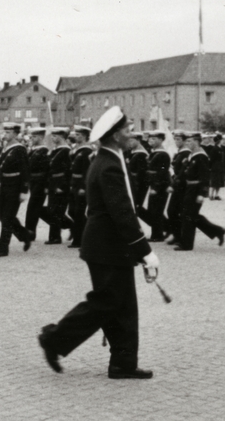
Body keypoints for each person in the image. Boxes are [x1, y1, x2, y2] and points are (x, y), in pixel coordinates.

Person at [37, 107, 158, 379]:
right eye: (127, 130)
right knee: (105, 303)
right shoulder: (109, 165)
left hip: (110, 246)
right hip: (107, 247)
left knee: (123, 306)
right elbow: (122, 213)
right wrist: (145, 251)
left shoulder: (109, 159)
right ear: (115, 135)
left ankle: (123, 363)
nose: (131, 134)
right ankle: (53, 339)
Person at [175, 132, 225, 250]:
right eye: (186, 141)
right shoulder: (192, 155)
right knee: (190, 215)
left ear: (197, 142)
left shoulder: (201, 156)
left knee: (188, 215)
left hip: (195, 189)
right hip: (189, 188)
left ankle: (186, 244)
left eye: (190, 141)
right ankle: (218, 231)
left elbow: (205, 177)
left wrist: (202, 193)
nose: (187, 143)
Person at [0, 122, 34, 256]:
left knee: (7, 218)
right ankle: (25, 235)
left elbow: (25, 170)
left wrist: (24, 190)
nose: (5, 134)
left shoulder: (19, 149)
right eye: (5, 132)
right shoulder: (5, 148)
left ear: (16, 134)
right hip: (5, 185)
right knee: (2, 216)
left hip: (15, 185)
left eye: (9, 132)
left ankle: (2, 249)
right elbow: (0, 167)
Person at [66, 125, 93, 248]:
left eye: (78, 135)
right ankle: (89, 232)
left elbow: (87, 171)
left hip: (81, 184)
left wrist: (83, 187)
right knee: (72, 211)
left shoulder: (87, 151)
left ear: (85, 136)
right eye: (75, 134)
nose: (76, 137)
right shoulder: (76, 150)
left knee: (78, 212)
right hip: (74, 183)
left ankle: (79, 240)